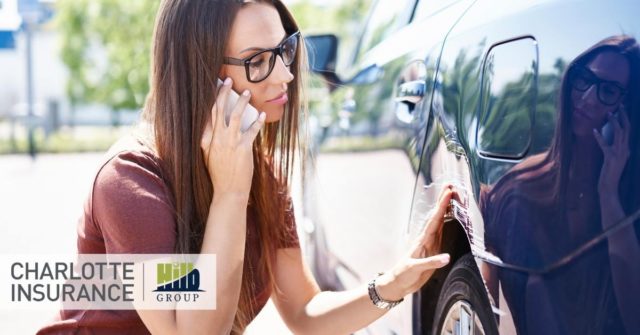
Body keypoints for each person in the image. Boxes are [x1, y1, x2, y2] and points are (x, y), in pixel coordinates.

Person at [37, 1, 453, 334]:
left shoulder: (262, 175)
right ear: (200, 72)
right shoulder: (131, 182)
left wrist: (392, 284)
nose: (286, 74)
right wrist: (230, 194)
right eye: (258, 61)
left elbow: (305, 312)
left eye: (285, 50)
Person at [481, 35, 640, 335]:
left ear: (628, 110)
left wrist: (608, 193)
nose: (589, 97)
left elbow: (634, 317)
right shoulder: (522, 187)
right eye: (585, 79)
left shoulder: (629, 197)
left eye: (608, 90)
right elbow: (488, 306)